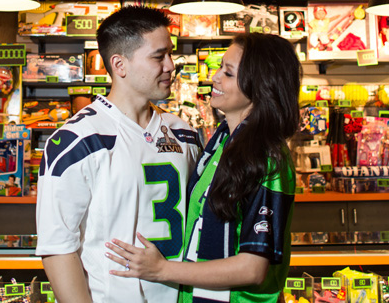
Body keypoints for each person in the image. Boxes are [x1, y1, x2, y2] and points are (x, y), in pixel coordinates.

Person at [105, 33, 300, 303]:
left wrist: (162, 270)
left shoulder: (267, 157)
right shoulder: (221, 145)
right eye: (220, 67)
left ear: (260, 86)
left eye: (229, 73)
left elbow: (253, 268)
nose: (216, 77)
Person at [36, 5, 202, 303]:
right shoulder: (77, 139)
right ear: (119, 64)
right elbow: (58, 247)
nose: (171, 65)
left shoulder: (183, 132)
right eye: (158, 56)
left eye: (170, 54)